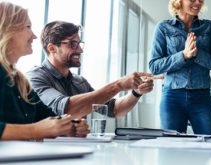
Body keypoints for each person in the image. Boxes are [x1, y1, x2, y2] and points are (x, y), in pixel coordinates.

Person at [27, 21, 154, 119]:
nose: (80, 50)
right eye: (72, 44)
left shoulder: (79, 82)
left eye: (79, 43)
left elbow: (115, 110)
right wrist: (119, 85)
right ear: (52, 48)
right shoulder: (35, 78)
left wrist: (136, 92)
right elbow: (68, 110)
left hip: (77, 148)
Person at [0, 2, 89, 140]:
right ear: (7, 30)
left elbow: (48, 118)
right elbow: (40, 128)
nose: (34, 36)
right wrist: (35, 130)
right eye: (28, 27)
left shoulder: (20, 81)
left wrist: (69, 126)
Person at [149, 0, 211, 134]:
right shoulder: (163, 27)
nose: (198, 2)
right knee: (171, 149)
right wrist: (183, 55)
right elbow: (154, 66)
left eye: (200, 0)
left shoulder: (209, 27)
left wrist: (197, 54)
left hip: (202, 98)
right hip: (172, 97)